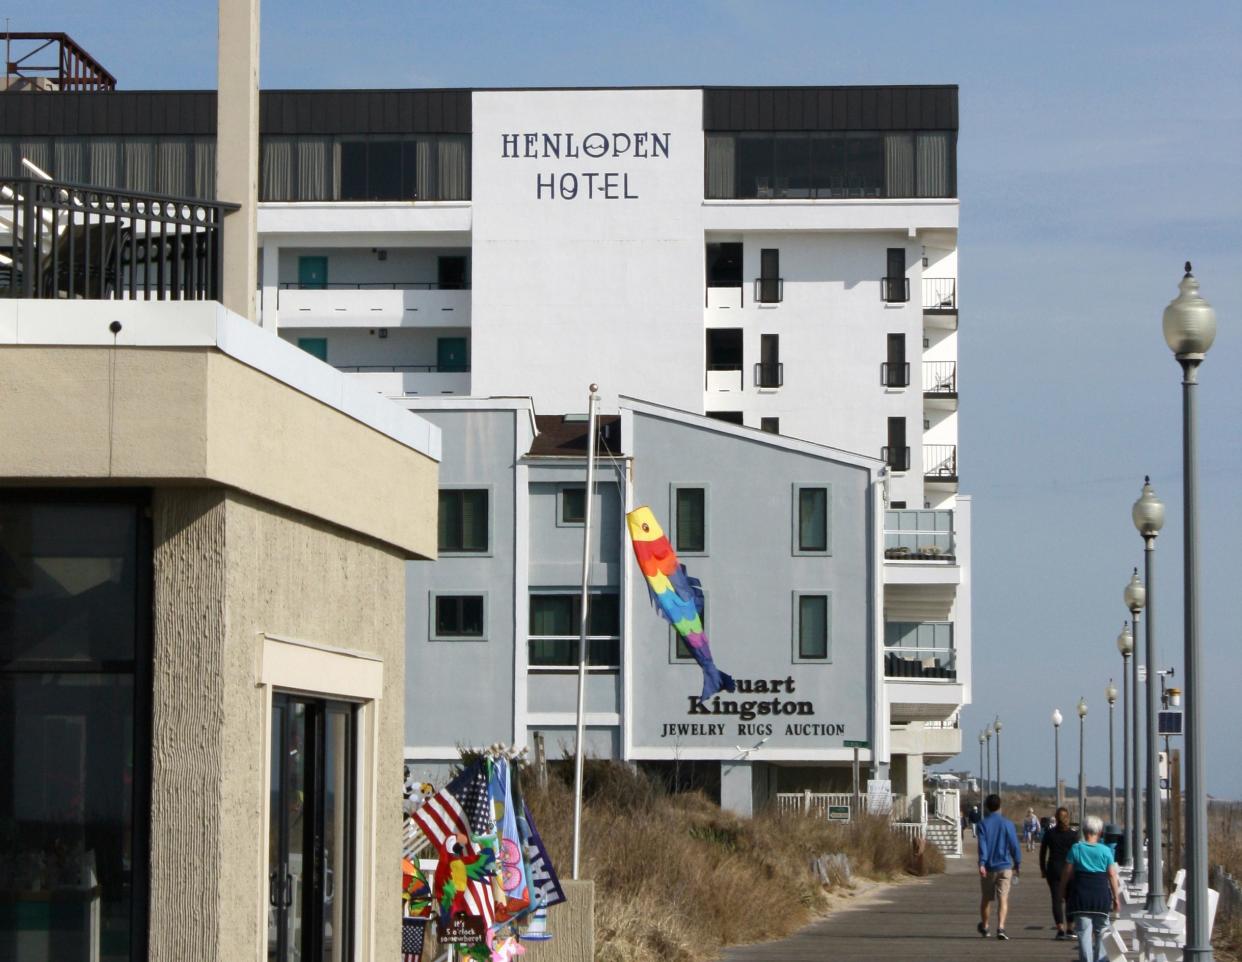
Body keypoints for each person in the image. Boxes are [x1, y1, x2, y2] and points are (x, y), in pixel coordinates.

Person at [1059, 814, 1121, 962]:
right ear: (1099, 832)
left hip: (1081, 897)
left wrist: (1062, 889)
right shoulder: (1105, 851)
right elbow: (1112, 875)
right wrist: (1116, 897)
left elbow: (1067, 872)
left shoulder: (1076, 848)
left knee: (1083, 933)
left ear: (1084, 831)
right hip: (1100, 896)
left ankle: (1086, 960)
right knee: (1102, 931)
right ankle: (1099, 959)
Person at [976, 793, 1021, 940]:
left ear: (987, 807)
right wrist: (1017, 862)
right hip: (1005, 866)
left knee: (986, 899)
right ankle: (1001, 927)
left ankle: (986, 926)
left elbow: (982, 845)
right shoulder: (1007, 824)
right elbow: (1014, 845)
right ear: (1000, 806)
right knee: (1003, 898)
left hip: (989, 867)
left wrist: (982, 863)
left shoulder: (982, 824)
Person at [1040, 806, 1079, 940]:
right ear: (1068, 818)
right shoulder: (1074, 835)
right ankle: (1070, 928)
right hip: (1070, 870)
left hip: (1054, 869)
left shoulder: (1049, 833)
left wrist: (1043, 870)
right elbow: (1078, 855)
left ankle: (1060, 929)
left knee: (1056, 899)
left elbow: (1043, 853)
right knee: (1070, 899)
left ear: (1055, 818)